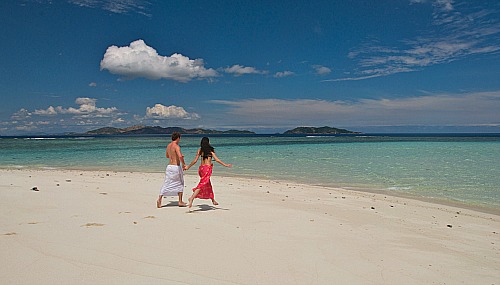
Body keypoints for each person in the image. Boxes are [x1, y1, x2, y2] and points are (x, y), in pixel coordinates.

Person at [185, 137, 232, 208]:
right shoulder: (210, 150)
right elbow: (217, 160)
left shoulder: (200, 150)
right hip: (207, 169)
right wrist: (225, 165)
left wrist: (188, 167)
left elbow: (195, 161)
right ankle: (191, 198)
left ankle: (213, 200)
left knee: (207, 183)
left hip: (201, 169)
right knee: (202, 184)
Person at [157, 132, 187, 208]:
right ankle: (180, 201)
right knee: (180, 183)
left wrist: (175, 156)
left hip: (169, 167)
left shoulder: (169, 145)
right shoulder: (176, 146)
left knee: (167, 183)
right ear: (178, 138)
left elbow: (167, 156)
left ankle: (160, 199)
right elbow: (180, 156)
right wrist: (183, 163)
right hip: (175, 167)